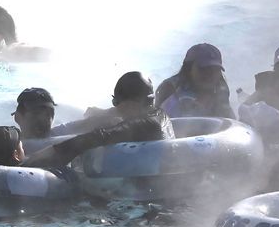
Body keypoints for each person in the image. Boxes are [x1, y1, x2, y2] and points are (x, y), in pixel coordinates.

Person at [28, 72, 173, 169]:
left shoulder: (145, 125)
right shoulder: (160, 116)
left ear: (131, 102)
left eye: (116, 103)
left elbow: (100, 136)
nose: (116, 108)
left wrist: (50, 152)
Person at [155, 43, 235, 119]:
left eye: (215, 69)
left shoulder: (220, 91)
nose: (210, 74)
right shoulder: (170, 91)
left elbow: (231, 124)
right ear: (188, 69)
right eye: (203, 69)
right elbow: (159, 125)